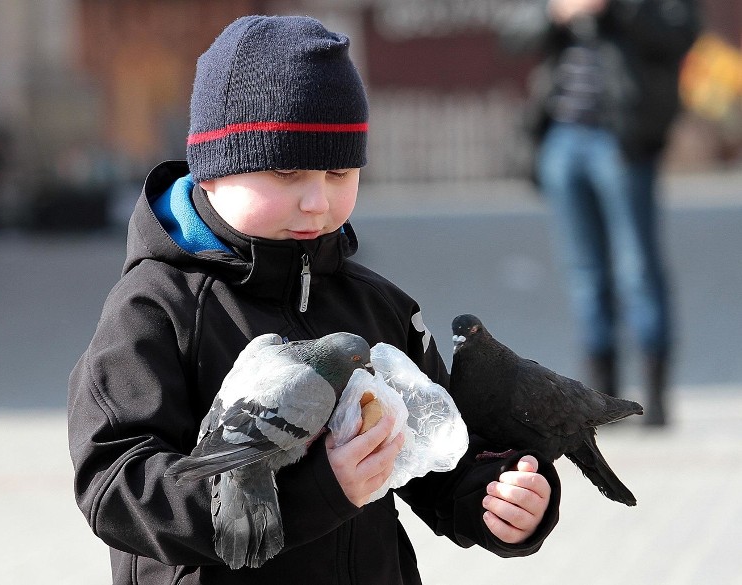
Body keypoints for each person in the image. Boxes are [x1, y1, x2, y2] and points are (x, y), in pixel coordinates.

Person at [68, 15, 560, 584]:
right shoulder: (156, 308)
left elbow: (435, 452)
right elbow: (116, 482)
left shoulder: (379, 309)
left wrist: (497, 498)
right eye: (285, 170)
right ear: (211, 171)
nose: (315, 201)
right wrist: (316, 493)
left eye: (337, 171)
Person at [499, 0, 699, 426]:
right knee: (585, 271)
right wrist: (557, 12)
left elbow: (680, 33)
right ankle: (602, 401)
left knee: (638, 268)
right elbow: (512, 34)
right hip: (563, 137)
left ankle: (655, 402)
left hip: (622, 138)